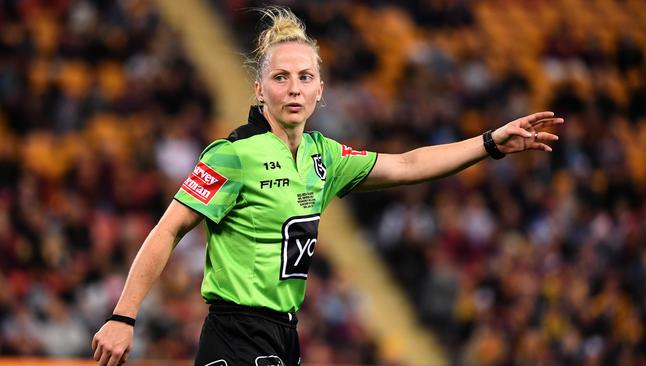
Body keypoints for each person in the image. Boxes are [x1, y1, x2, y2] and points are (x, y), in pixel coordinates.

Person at [91, 6, 563, 366]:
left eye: (305, 77)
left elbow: (409, 163)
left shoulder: (325, 156)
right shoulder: (231, 155)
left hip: (285, 333)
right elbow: (167, 229)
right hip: (236, 332)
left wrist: (491, 143)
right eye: (280, 77)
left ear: (320, 90)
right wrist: (123, 316)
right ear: (259, 90)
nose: (294, 88)